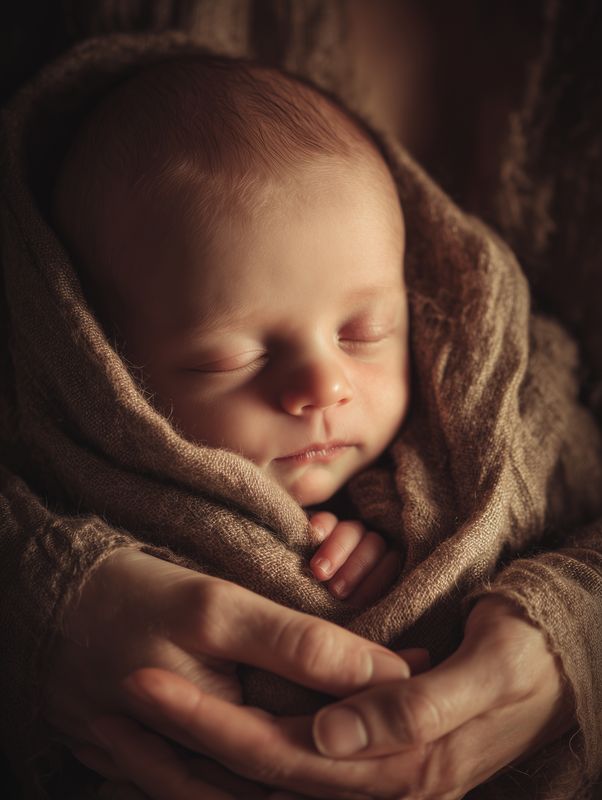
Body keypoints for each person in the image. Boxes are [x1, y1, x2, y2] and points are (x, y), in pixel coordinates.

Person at [2, 29, 600, 800]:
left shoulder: (467, 427)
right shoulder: (66, 464)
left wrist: (395, 541)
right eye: (232, 359)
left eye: (365, 333)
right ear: (102, 370)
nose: (324, 386)